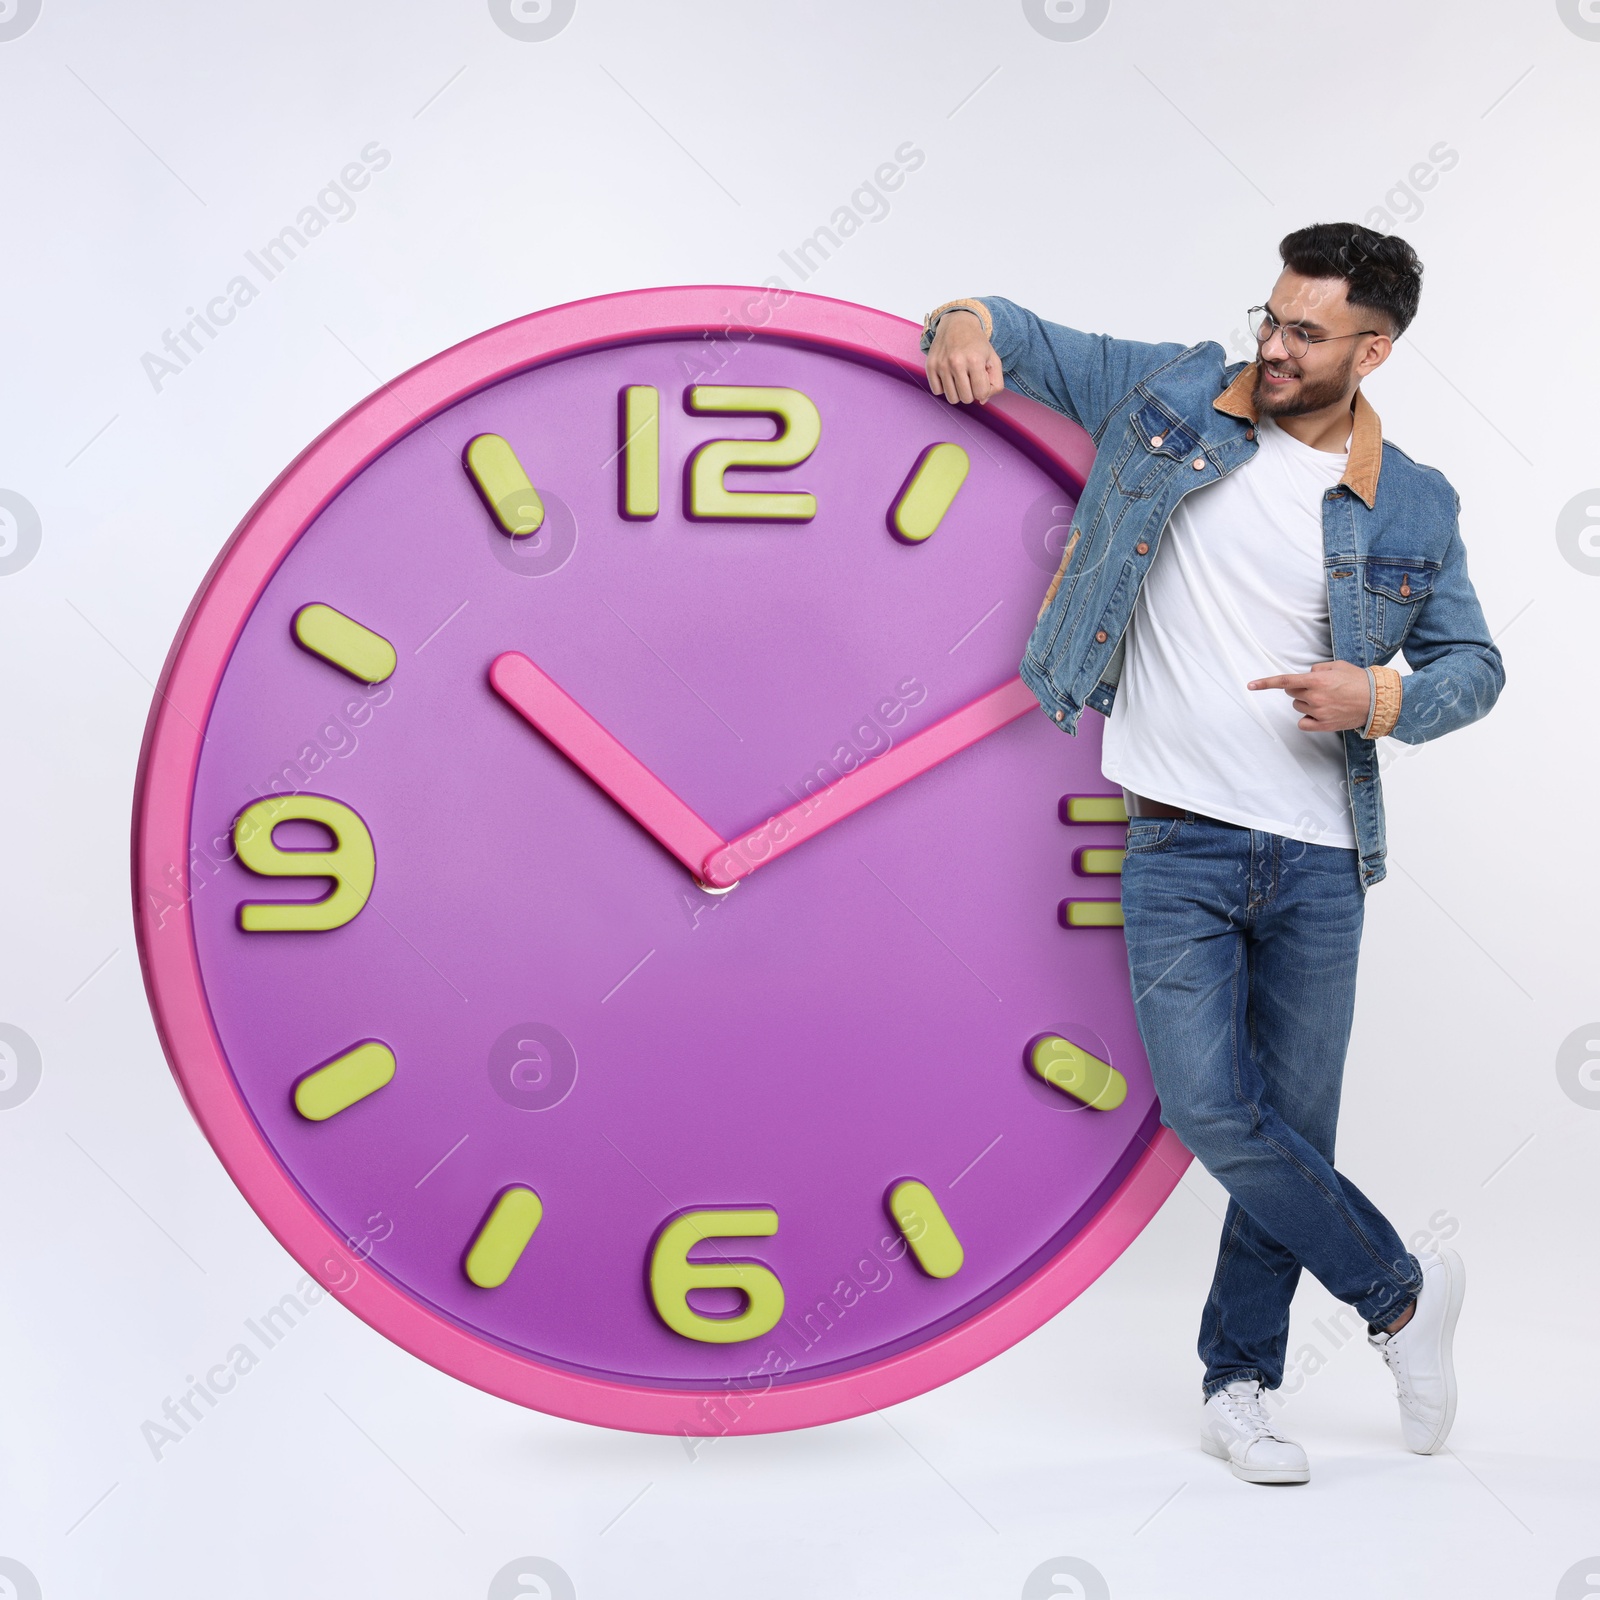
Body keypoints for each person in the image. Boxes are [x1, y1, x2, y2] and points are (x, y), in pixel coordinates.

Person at [921, 223, 1503, 1485]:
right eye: (1272, 317)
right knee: (1206, 1109)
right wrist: (963, 325)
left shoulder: (1412, 499)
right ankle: (1402, 1296)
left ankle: (1237, 1385)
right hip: (1176, 841)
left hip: (1317, 858)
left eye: (1307, 332)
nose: (1275, 346)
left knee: (1288, 1131)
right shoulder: (1173, 393)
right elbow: (1008, 325)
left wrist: (1384, 700)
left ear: (1374, 347)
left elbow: (1475, 666)